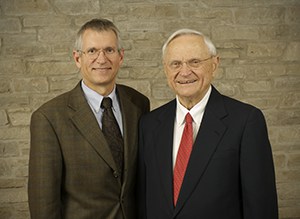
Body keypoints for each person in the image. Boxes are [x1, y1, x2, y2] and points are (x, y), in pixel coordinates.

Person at [138, 28, 278, 219]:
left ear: (214, 64)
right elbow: (143, 202)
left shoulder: (246, 121)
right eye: (175, 64)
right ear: (165, 69)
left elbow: (260, 207)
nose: (185, 72)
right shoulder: (149, 124)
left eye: (195, 62)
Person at [28, 18, 150, 219]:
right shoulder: (49, 118)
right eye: (92, 51)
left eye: (109, 50)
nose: (101, 59)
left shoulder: (138, 104)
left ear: (121, 56)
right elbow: (44, 204)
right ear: (77, 58)